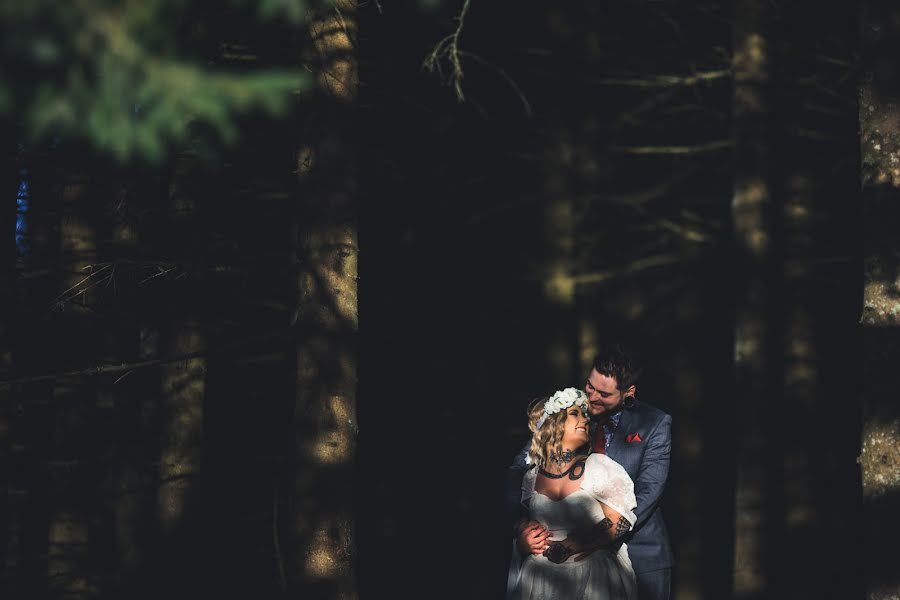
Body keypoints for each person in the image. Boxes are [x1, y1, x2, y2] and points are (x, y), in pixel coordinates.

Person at [507, 345, 674, 600]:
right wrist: (522, 527)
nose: (592, 397)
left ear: (629, 392)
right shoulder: (569, 411)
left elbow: (648, 492)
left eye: (603, 394)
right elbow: (520, 471)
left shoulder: (654, 423)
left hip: (639, 552)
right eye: (590, 386)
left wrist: (593, 539)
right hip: (553, 566)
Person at [506, 387, 638, 600]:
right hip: (541, 580)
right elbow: (524, 522)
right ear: (552, 425)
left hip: (593, 578)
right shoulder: (531, 477)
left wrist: (570, 546)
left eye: (585, 415)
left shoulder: (599, 466)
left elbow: (620, 521)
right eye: (575, 414)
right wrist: (524, 539)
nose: (585, 420)